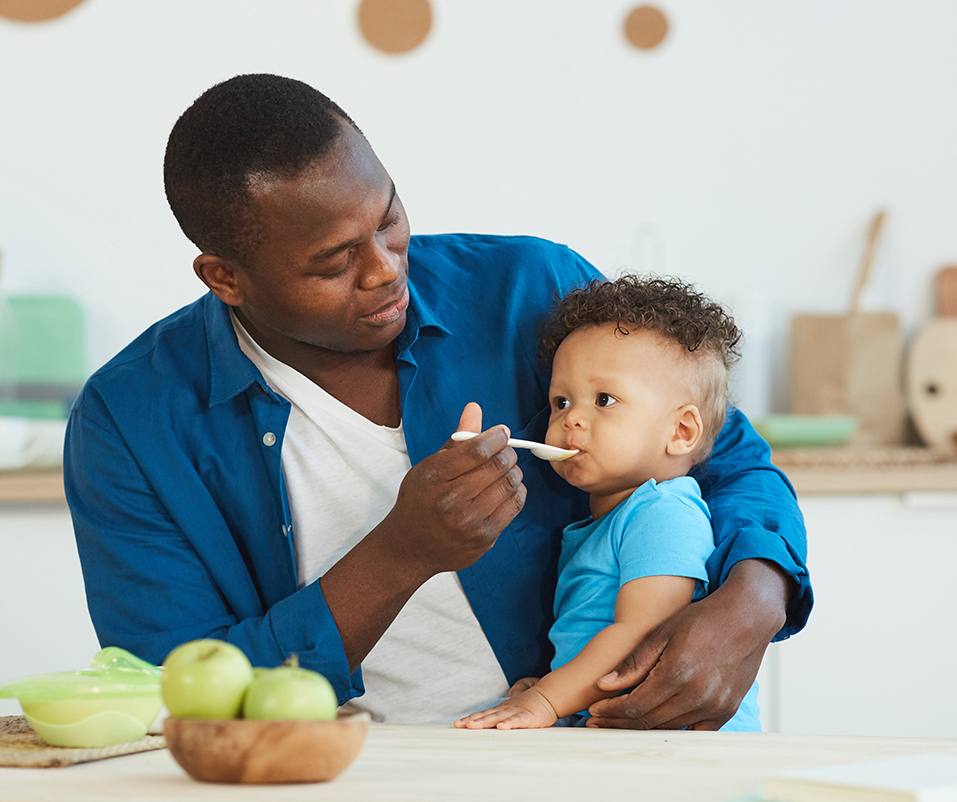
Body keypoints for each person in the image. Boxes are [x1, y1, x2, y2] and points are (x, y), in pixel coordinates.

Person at [64, 73, 812, 727]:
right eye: (334, 262)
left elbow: (726, 456)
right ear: (224, 277)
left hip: (580, 757)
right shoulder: (131, 421)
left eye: (388, 219)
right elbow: (180, 694)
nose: (387, 270)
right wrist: (402, 554)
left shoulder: (530, 290)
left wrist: (752, 606)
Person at [455, 276, 759, 731]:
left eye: (604, 399)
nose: (571, 417)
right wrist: (556, 685)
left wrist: (547, 700)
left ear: (682, 432)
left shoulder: (664, 513)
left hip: (681, 751)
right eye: (561, 401)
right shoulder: (610, 520)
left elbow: (641, 635)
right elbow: (595, 632)